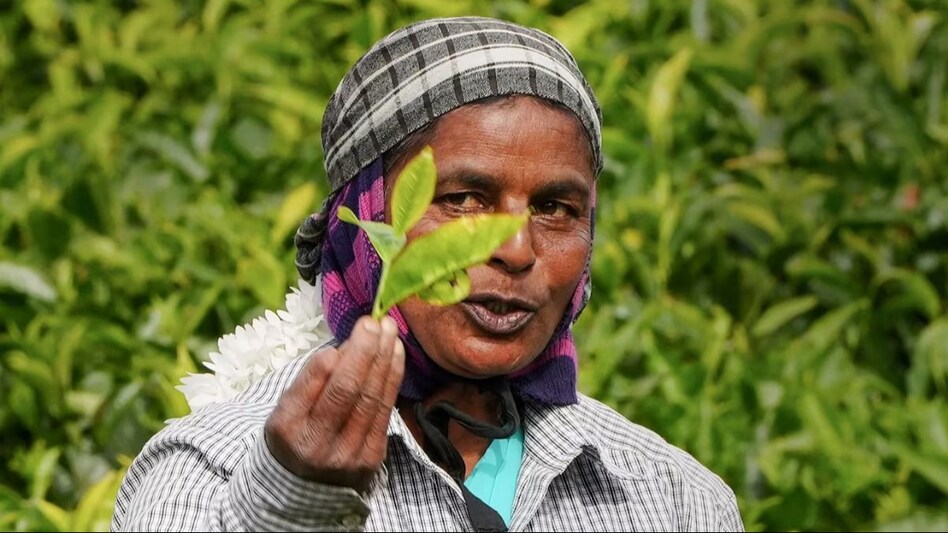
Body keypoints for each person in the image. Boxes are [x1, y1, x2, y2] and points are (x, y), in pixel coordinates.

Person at [111, 16, 743, 532]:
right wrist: (294, 507)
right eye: (463, 198)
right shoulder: (206, 471)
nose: (515, 249)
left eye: (556, 208)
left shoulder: (673, 499)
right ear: (363, 218)